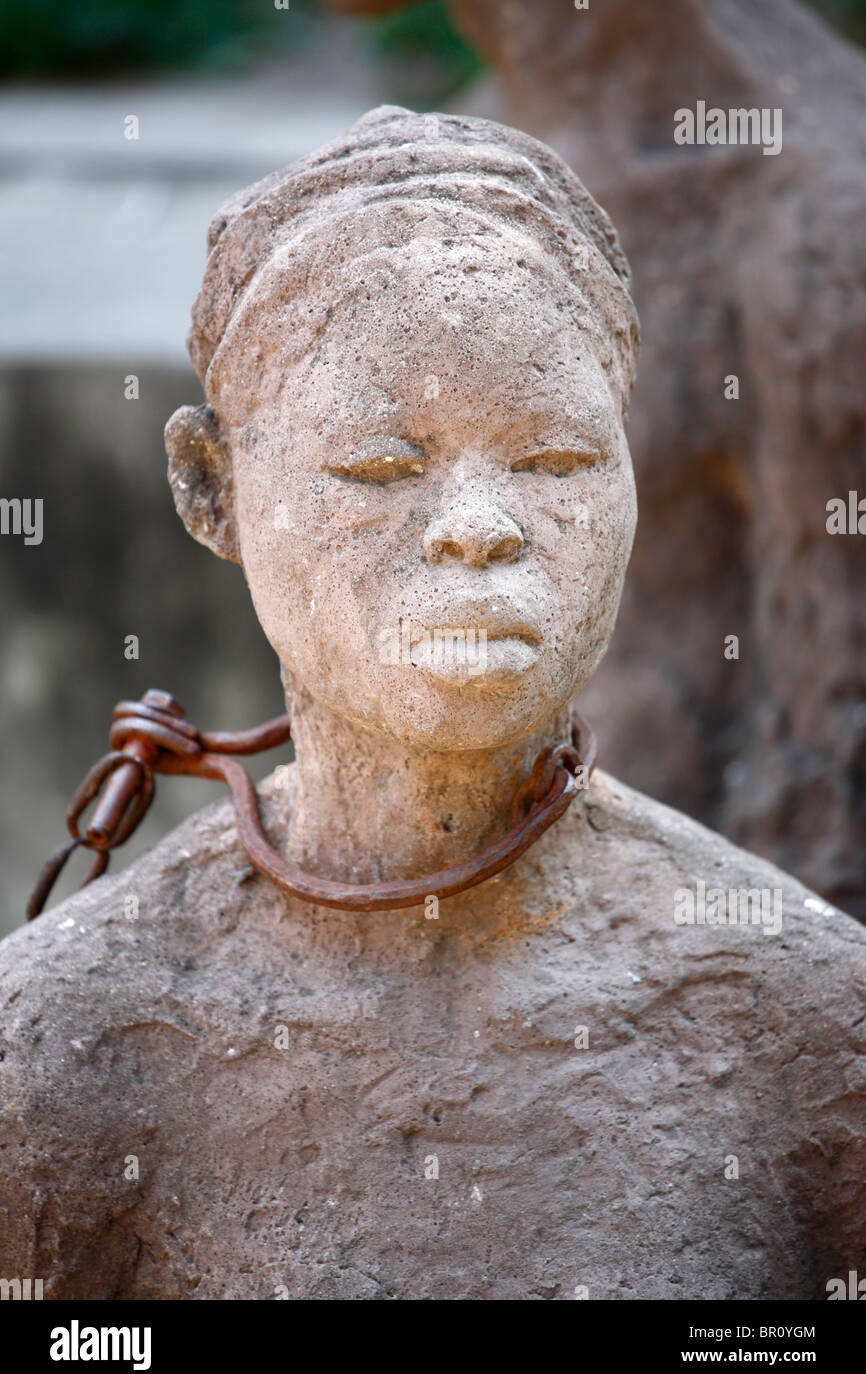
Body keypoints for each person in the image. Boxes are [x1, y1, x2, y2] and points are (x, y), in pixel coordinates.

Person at [1, 108, 863, 1300]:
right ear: (213, 491)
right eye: (378, 467)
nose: (479, 526)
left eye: (556, 461)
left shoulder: (813, 1023)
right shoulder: (63, 1046)